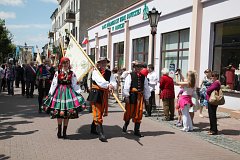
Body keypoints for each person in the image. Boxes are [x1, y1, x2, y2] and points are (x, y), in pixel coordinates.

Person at [43, 57, 85, 139]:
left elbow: (75, 84)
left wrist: (78, 92)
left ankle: (65, 132)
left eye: (67, 63)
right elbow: (54, 84)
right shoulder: (57, 72)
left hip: (69, 93)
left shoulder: (72, 73)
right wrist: (50, 93)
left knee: (67, 113)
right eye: (64, 63)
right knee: (59, 112)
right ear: (61, 64)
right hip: (59, 93)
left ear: (69, 64)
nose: (65, 65)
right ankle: (59, 131)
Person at [88, 57, 116, 142]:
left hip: (103, 94)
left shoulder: (109, 72)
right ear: (99, 64)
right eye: (102, 62)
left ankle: (93, 128)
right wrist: (108, 85)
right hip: (96, 93)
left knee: (99, 112)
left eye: (105, 62)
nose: (104, 64)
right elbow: (100, 82)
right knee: (98, 112)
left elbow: (113, 81)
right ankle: (101, 134)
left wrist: (112, 85)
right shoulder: (95, 72)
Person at [122, 60, 151, 137]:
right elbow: (126, 86)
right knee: (129, 112)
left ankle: (136, 130)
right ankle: (125, 125)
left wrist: (147, 98)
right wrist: (126, 96)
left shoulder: (143, 77)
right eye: (137, 67)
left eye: (140, 67)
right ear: (134, 67)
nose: (138, 68)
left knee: (139, 113)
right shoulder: (130, 75)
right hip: (132, 96)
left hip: (139, 97)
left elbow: (146, 88)